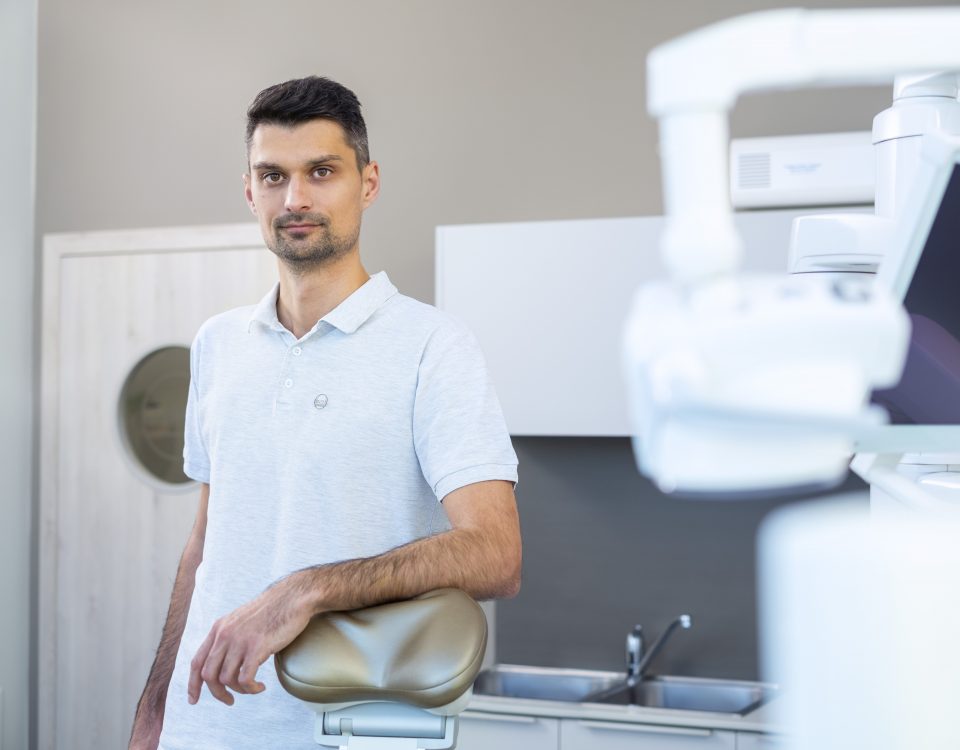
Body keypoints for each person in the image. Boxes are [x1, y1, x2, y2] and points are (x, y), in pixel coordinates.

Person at [128, 75, 522, 750]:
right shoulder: (218, 343)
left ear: (367, 183)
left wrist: (306, 590)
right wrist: (156, 703)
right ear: (250, 191)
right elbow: (204, 549)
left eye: (321, 171)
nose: (296, 198)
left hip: (354, 730)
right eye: (273, 176)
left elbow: (496, 553)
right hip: (206, 730)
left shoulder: (433, 346)